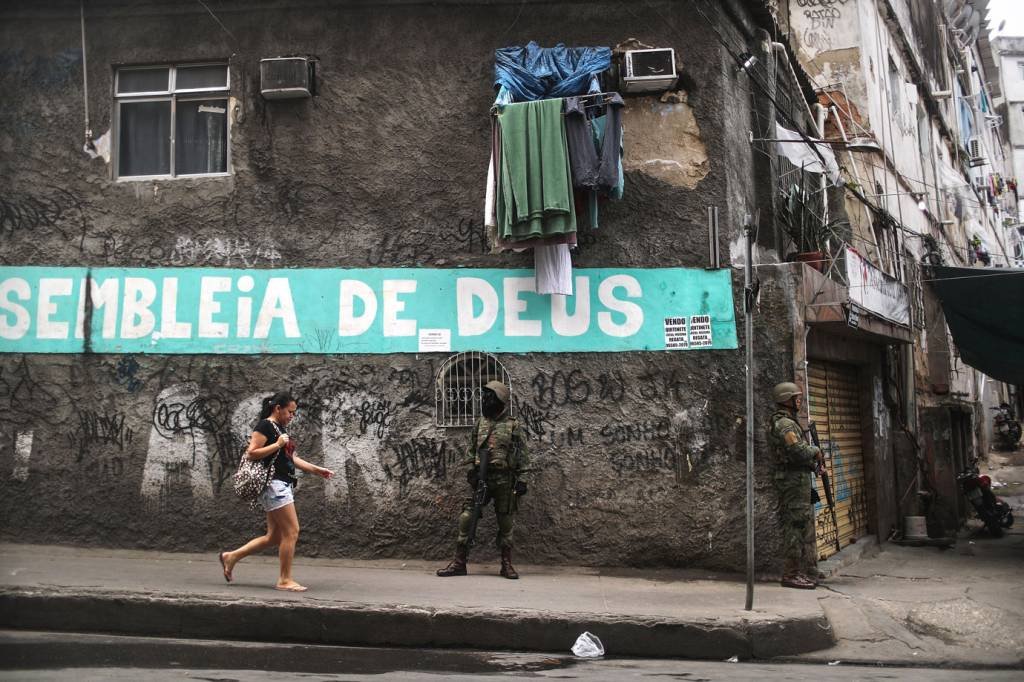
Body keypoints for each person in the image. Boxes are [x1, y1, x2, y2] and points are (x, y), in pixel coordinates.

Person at [219, 392, 334, 592]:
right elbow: (252, 453)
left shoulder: (280, 429)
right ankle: (284, 579)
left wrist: (317, 470)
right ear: (278, 408)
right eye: (290, 411)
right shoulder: (265, 426)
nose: (292, 416)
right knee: (292, 531)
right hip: (274, 485)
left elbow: (292, 458)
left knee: (274, 537)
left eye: (294, 412)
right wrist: (277, 444)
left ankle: (231, 557)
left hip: (283, 484)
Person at [437, 380, 529, 579]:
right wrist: (472, 471)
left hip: (504, 479)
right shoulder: (481, 423)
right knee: (467, 518)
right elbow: (471, 449)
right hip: (482, 479)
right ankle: (460, 563)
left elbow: (522, 454)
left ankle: (506, 565)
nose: (485, 400)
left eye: (490, 396)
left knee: (505, 522)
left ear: (500, 400)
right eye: (485, 395)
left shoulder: (513, 425)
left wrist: (523, 479)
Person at [768, 381, 823, 590]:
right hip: (792, 481)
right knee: (794, 527)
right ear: (786, 400)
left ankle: (801, 570)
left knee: (801, 524)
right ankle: (791, 574)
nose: (799, 401)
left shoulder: (789, 422)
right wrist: (815, 451)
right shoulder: (785, 425)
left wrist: (813, 464)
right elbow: (797, 452)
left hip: (798, 479)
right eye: (796, 398)